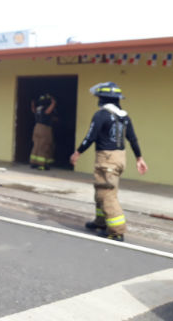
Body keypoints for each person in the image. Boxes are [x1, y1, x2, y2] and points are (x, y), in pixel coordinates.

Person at [70, 82, 148, 242]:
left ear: (102, 99)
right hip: (120, 158)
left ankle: (116, 231)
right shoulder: (124, 116)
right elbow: (132, 138)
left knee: (107, 194)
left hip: (106, 159)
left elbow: (90, 136)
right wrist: (139, 158)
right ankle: (100, 221)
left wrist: (78, 152)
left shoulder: (101, 115)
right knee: (101, 191)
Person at [29, 93, 56, 170]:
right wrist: (53, 103)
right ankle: (42, 165)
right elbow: (48, 111)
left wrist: (32, 104)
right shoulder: (45, 109)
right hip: (44, 128)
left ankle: (33, 162)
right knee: (44, 146)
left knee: (36, 145)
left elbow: (33, 110)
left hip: (36, 127)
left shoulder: (38, 108)